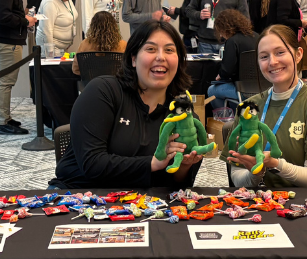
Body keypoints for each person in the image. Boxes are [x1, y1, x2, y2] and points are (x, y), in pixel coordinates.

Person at [51, 20, 202, 189]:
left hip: (145, 201)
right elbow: (92, 164)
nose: (161, 57)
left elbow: (177, 185)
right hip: (77, 194)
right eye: (151, 49)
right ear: (133, 59)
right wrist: (152, 163)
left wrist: (184, 165)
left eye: (169, 50)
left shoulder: (182, 115)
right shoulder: (103, 92)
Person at [221, 25, 307, 188]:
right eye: (264, 56)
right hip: (260, 200)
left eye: (280, 52)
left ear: (298, 54)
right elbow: (237, 177)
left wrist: (275, 164)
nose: (272, 62)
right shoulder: (248, 108)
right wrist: (255, 173)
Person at [0, 0, 36, 134]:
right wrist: (25, 21)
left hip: (0, 37)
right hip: (7, 40)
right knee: (6, 82)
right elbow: (3, 16)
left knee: (4, 80)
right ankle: (3, 122)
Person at [207, 9, 258, 109]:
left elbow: (227, 71)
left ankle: (225, 118)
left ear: (225, 28)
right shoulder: (257, 36)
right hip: (264, 89)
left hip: (243, 91)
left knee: (212, 90)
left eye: (220, 31)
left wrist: (220, 75)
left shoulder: (232, 41)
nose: (221, 35)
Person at [185, 0, 251, 54]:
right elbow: (188, 10)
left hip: (228, 42)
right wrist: (199, 14)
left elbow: (245, 19)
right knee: (206, 67)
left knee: (227, 66)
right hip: (205, 42)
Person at [73, 11, 127, 76]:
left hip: (91, 81)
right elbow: (128, 68)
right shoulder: (122, 45)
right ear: (114, 26)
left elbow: (75, 69)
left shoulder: (85, 44)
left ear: (92, 26)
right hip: (115, 81)